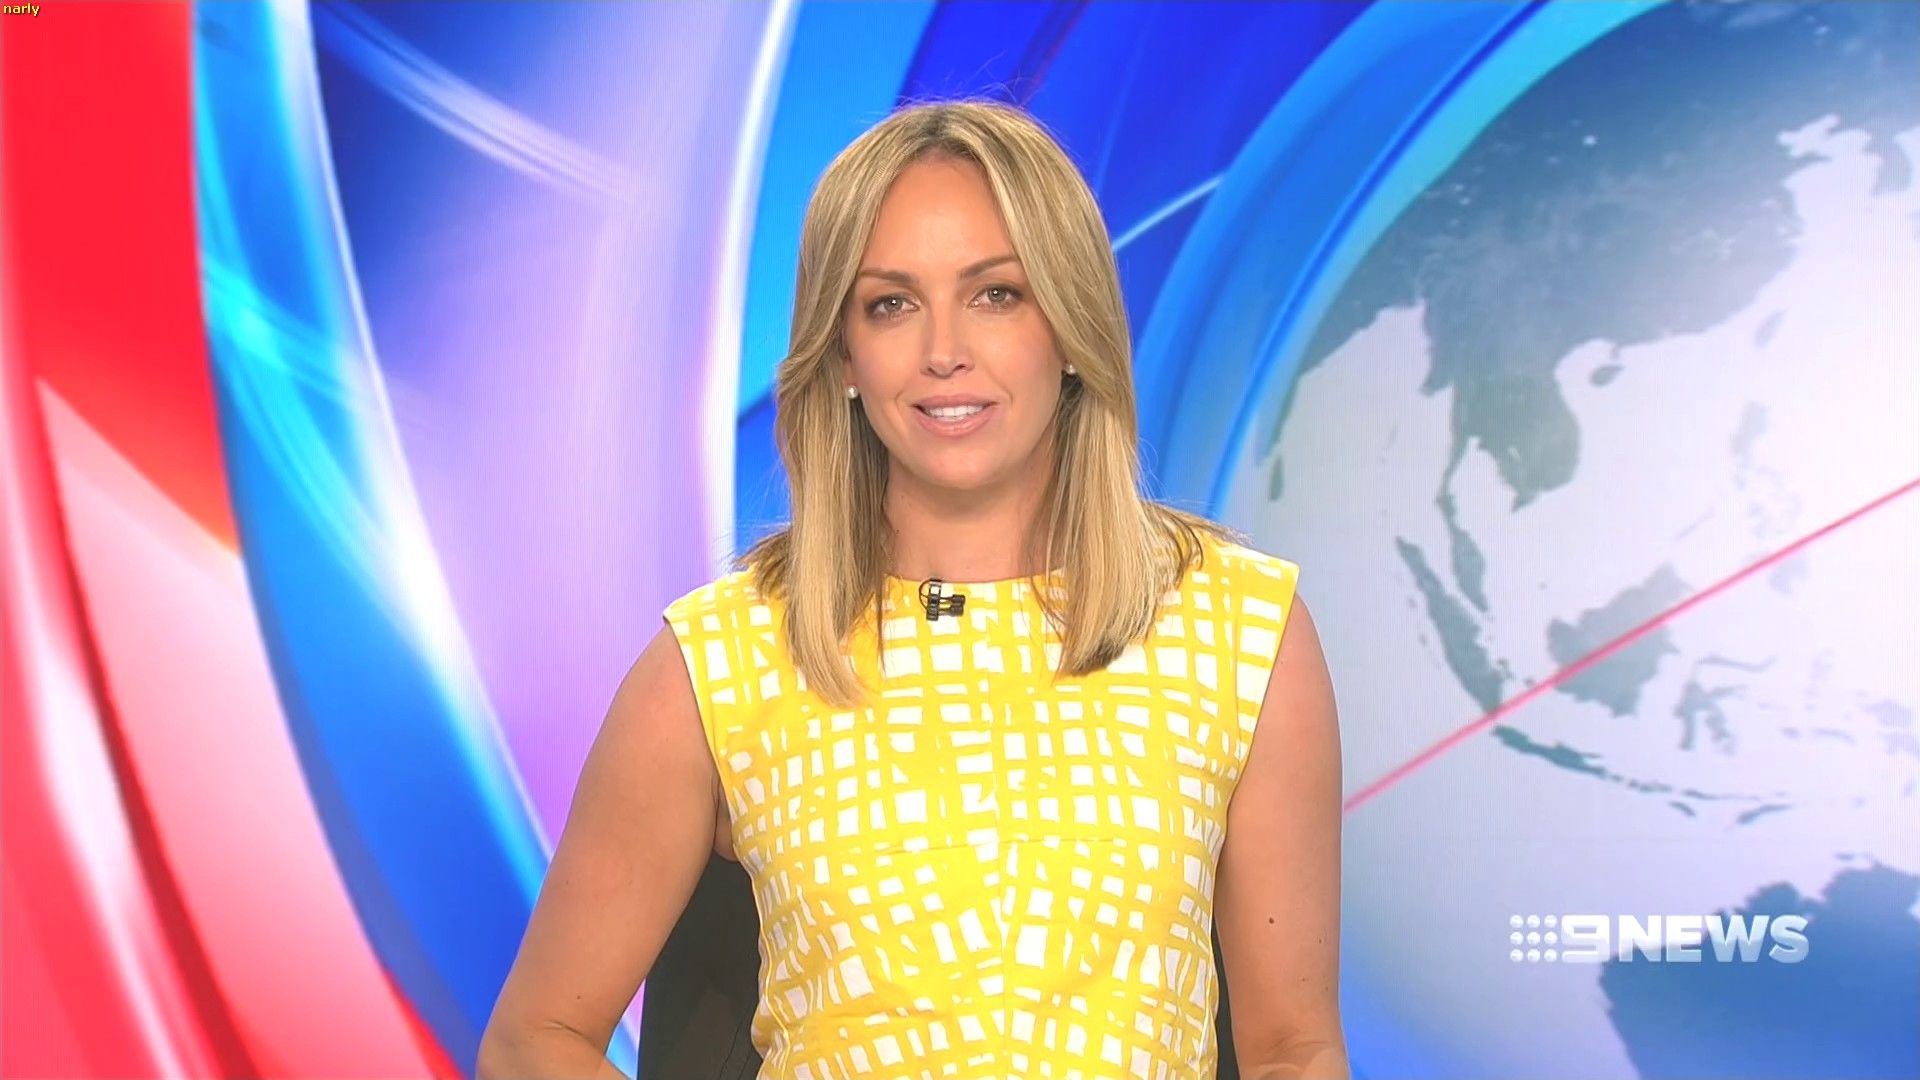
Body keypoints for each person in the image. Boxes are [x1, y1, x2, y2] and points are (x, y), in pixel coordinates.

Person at [478, 98, 1347, 1080]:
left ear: (1070, 328)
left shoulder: (1240, 631)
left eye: (996, 294)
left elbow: (1295, 1051)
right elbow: (533, 1040)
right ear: (844, 354)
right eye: (891, 304)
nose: (944, 351)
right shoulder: (726, 660)